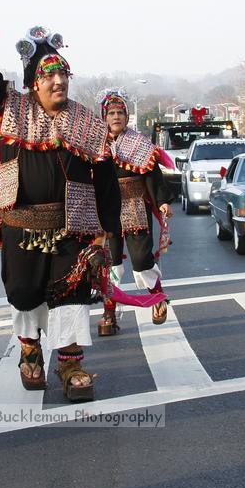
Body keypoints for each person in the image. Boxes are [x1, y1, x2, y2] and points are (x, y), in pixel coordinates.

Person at [0, 5, 121, 402]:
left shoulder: (88, 123)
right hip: (20, 224)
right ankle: (30, 351)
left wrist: (105, 231)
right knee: (24, 292)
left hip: (72, 225)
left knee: (72, 294)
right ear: (33, 82)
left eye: (63, 74)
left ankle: (71, 364)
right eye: (49, 75)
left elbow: (106, 181)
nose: (59, 81)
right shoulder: (10, 109)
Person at [98, 89, 173, 335]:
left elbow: (153, 175)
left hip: (134, 205)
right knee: (109, 263)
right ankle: (109, 312)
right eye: (111, 113)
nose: (116, 117)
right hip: (106, 209)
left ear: (127, 116)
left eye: (120, 112)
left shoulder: (139, 143)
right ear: (104, 116)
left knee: (141, 260)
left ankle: (156, 297)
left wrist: (161, 201)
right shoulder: (95, 144)